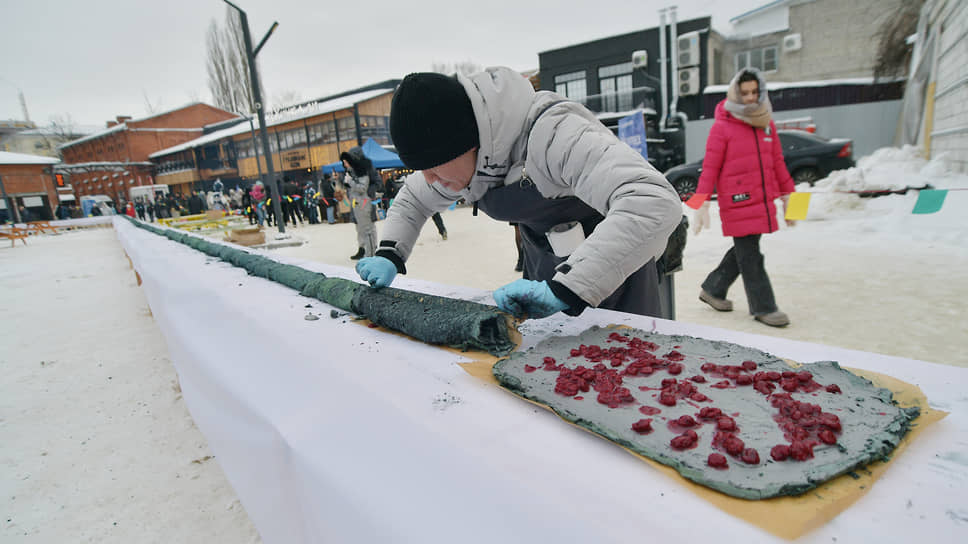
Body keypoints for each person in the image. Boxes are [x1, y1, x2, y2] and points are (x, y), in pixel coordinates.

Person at [355, 68, 681, 319]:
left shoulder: (555, 134)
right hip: (544, 266)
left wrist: (569, 287)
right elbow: (412, 200)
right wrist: (390, 252)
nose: (430, 179)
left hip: (613, 263)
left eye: (435, 166)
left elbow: (652, 201)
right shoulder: (462, 164)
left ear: (470, 142)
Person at [691, 68, 795, 328]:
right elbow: (710, 167)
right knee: (751, 254)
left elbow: (778, 162)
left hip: (761, 200)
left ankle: (713, 289)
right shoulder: (722, 127)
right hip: (737, 200)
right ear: (735, 93)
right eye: (744, 93)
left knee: (744, 250)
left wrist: (789, 196)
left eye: (754, 92)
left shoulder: (766, 124)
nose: (750, 98)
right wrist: (699, 203)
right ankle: (764, 307)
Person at [339, 147, 380, 260]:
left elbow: (375, 182)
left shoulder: (366, 167)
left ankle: (371, 248)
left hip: (365, 201)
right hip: (355, 201)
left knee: (368, 227)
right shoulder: (351, 169)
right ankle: (363, 248)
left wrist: (369, 194)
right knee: (360, 227)